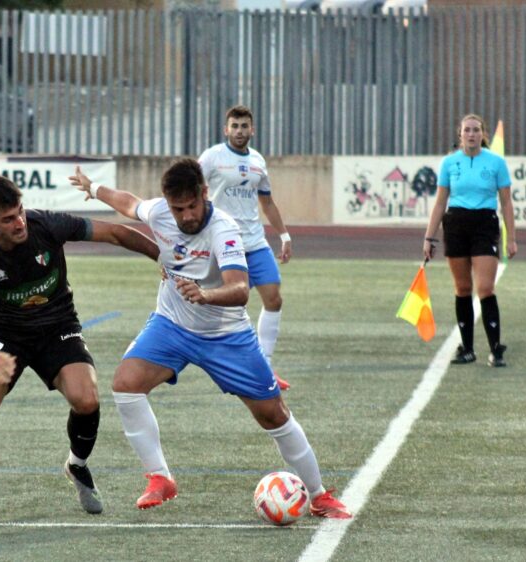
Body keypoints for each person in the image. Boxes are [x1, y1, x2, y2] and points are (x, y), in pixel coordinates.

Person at [69, 159, 350, 518]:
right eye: (177, 208)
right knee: (126, 384)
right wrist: (93, 188)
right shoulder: (160, 212)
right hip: (172, 324)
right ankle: (160, 477)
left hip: (226, 335)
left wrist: (205, 293)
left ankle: (318, 494)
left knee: (273, 414)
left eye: (191, 206)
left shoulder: (224, 229)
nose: (185, 216)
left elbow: (239, 288)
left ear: (204, 194)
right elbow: (128, 203)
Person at [0, 175, 159, 516]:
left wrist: (160, 257)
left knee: (87, 399)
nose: (19, 222)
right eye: (8, 219)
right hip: (6, 333)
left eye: (19, 212)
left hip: (58, 326)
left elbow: (116, 233)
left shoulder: (47, 224)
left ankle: (77, 465)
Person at [199, 105, 292, 391]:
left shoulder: (258, 161)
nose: (239, 131)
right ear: (226, 130)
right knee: (221, 307)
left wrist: (284, 235)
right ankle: (216, 360)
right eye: (234, 126)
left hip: (254, 241)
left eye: (244, 126)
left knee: (274, 299)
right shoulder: (212, 157)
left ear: (252, 130)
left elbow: (267, 202)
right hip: (225, 243)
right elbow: (195, 191)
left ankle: (264, 365)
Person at [423, 113, 517, 367]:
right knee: (462, 289)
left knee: (485, 288)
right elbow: (441, 201)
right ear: (460, 134)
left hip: (484, 225)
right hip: (455, 225)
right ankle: (467, 349)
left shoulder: (496, 163)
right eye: (467, 130)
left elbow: (506, 202)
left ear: (483, 134)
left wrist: (511, 238)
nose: (471, 134)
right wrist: (429, 237)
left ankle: (496, 349)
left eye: (476, 130)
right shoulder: (450, 163)